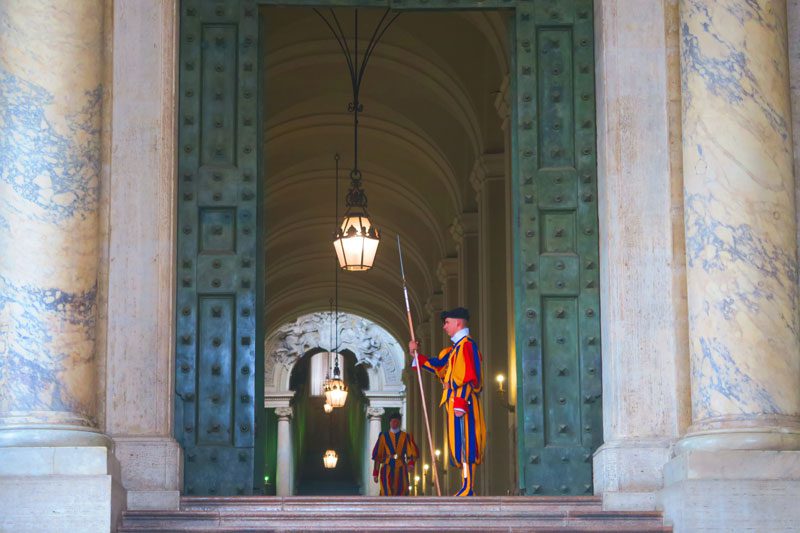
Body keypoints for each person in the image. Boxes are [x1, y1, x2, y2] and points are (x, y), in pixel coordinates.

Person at [409, 306, 485, 496]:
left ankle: (468, 486)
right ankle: (465, 484)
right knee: (458, 445)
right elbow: (438, 366)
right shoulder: (453, 350)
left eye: (447, 323)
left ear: (458, 322)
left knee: (467, 444)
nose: (444, 327)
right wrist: (416, 354)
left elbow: (470, 376)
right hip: (455, 403)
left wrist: (460, 402)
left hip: (463, 403)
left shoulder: (467, 346)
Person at [371, 412, 418, 496]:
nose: (394, 423)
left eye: (396, 421)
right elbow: (378, 456)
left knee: (402, 490)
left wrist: (411, 464)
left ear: (399, 422)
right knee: (386, 490)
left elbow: (411, 452)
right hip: (386, 467)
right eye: (392, 421)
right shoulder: (383, 436)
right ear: (389, 422)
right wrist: (375, 473)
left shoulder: (405, 436)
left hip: (401, 467)